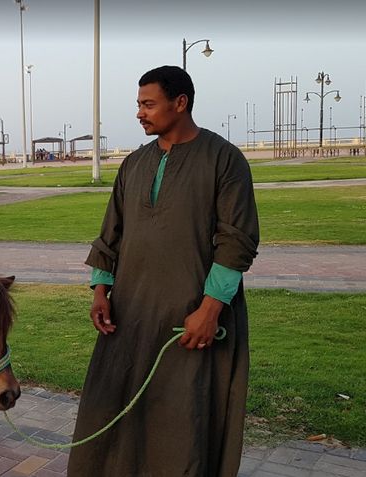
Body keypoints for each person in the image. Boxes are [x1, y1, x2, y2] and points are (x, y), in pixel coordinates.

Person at [67, 66, 260, 477]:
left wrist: (210, 310)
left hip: (189, 319)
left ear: (180, 102)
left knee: (182, 416)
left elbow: (237, 241)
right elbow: (110, 235)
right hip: (130, 314)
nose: (140, 113)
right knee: (121, 410)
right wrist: (100, 291)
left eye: (148, 104)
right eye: (138, 104)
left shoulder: (224, 160)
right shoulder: (134, 164)